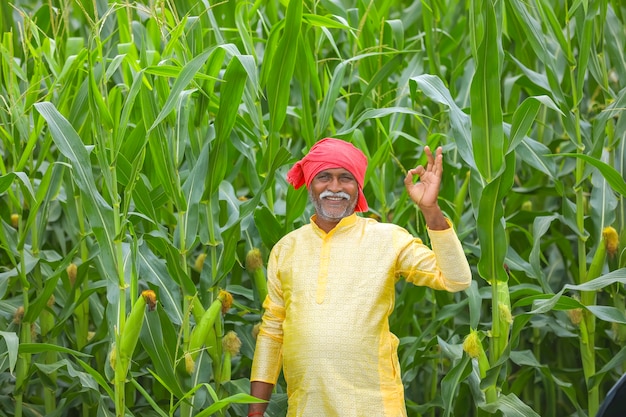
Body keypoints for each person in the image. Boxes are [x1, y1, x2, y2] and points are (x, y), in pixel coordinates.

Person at [248, 138, 472, 417]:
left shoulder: (387, 238)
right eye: (324, 177)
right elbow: (272, 333)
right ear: (310, 184)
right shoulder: (287, 248)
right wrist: (256, 412)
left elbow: (456, 279)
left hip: (374, 407)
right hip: (307, 408)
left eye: (345, 178)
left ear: (358, 187)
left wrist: (430, 210)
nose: (334, 188)